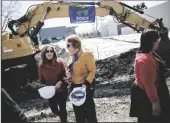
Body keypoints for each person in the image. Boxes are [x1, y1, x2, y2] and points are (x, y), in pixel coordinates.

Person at [129, 30, 170, 122]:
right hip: (146, 96)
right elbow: (148, 84)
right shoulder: (145, 60)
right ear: (152, 42)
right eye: (157, 40)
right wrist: (155, 103)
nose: (158, 42)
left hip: (150, 91)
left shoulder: (147, 52)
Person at [65, 34, 97, 123]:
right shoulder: (70, 57)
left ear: (75, 45)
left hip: (85, 86)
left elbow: (92, 71)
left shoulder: (87, 55)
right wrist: (68, 76)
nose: (67, 48)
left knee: (90, 112)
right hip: (74, 87)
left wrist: (85, 84)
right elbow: (70, 70)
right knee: (78, 113)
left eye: (68, 45)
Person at [38, 45, 68, 123]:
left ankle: (64, 119)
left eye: (51, 51)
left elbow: (65, 76)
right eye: (47, 51)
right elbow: (42, 80)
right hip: (51, 92)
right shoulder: (41, 66)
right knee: (54, 110)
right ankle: (62, 116)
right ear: (44, 53)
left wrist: (61, 81)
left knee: (63, 108)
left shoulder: (60, 63)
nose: (49, 53)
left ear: (54, 53)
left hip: (62, 89)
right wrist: (45, 88)